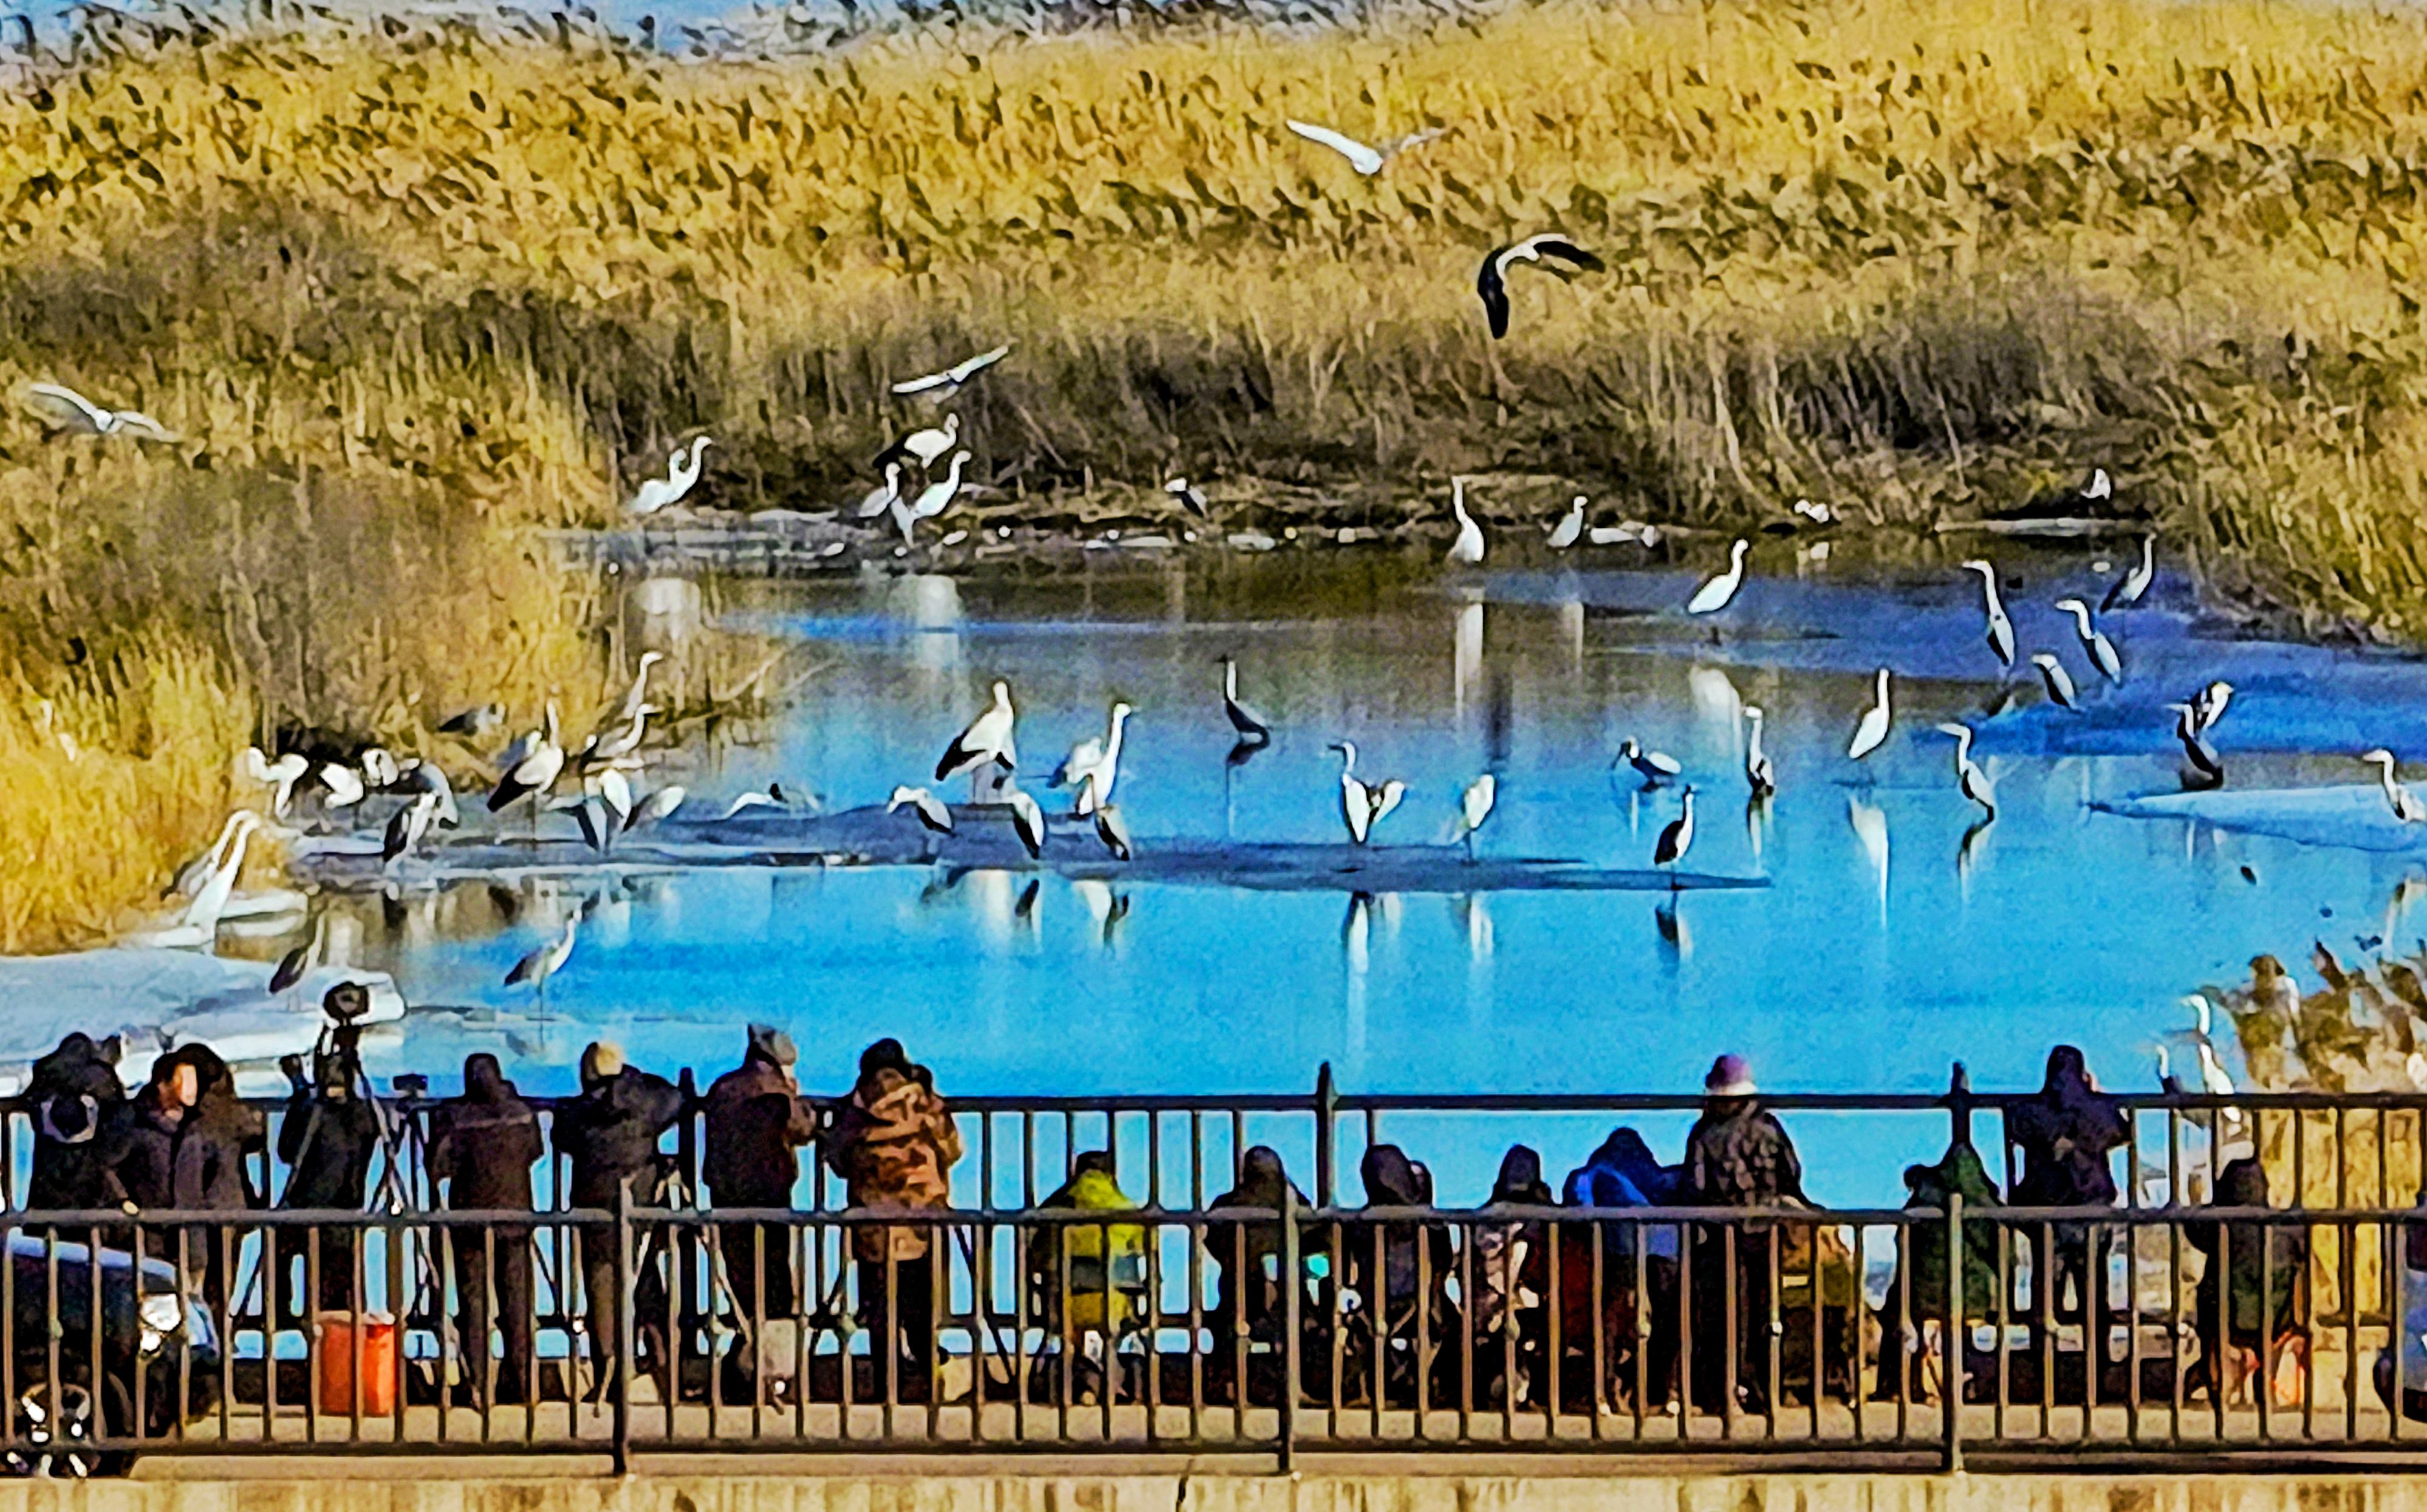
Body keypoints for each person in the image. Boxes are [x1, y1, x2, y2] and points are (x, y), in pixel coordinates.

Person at [826, 1038, 962, 1403]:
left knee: (880, 1310)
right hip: (923, 1220)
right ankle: (930, 1375)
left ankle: (888, 1387)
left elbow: (837, 1160)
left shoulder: (855, 1109)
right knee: (922, 1304)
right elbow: (953, 1149)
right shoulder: (924, 1103)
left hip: (873, 1224)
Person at [554, 1040, 686, 1401]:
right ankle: (664, 1363)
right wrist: (633, 1079)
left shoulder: (577, 1112)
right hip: (641, 1205)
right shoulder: (644, 1105)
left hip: (595, 1209)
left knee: (602, 1289)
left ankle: (609, 1375)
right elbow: (675, 1098)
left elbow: (560, 1137)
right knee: (645, 1281)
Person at [1681, 1054, 1804, 1416]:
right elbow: (1791, 1174)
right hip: (1765, 1233)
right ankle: (1766, 1393)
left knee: (1725, 1319)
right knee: (1766, 1316)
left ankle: (1725, 1393)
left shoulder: (1704, 1132)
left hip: (1721, 1237)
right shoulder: (1770, 1127)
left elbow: (1693, 1187)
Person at [426, 1053, 543, 1407]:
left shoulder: (457, 1119)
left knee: (473, 1301)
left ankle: (477, 1382)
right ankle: (523, 1381)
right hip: (517, 1218)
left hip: (471, 1220)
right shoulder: (522, 1114)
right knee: (517, 1301)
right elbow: (536, 1151)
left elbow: (438, 1168)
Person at [113, 1043, 264, 1314]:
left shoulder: (195, 1123)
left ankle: (203, 1340)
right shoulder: (190, 1121)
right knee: (202, 1291)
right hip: (192, 1219)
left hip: (195, 1221)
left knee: (193, 1289)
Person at [2004, 1045, 2127, 1357]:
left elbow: (2014, 1124)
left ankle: (2043, 1365)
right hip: (2091, 1211)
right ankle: (2098, 1367)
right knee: (2094, 1294)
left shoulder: (2033, 1110)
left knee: (2045, 1294)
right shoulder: (2098, 1109)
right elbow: (2122, 1132)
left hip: (2047, 1214)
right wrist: (2096, 1095)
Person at [275, 993, 386, 1322]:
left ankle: (280, 1316)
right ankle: (340, 1348)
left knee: (280, 1252)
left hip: (308, 1212)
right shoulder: (364, 1114)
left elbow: (287, 1152)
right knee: (338, 1295)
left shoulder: (314, 1113)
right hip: (347, 1213)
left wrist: (300, 1093)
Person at [702, 1024, 819, 1333]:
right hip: (769, 1192)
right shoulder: (777, 1091)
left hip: (727, 1194)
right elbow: (803, 1129)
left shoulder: (723, 1088)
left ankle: (746, 1339)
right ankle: (775, 1351)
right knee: (775, 1274)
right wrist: (797, 1096)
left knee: (740, 1274)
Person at [1562, 1127, 1683, 1414]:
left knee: (1611, 1316)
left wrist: (1587, 1227)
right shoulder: (1654, 1172)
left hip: (1619, 1244)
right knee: (1667, 1317)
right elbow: (1677, 1185)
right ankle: (1665, 1391)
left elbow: (1579, 1197)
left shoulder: (1598, 1169)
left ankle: (1603, 1391)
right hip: (1666, 1246)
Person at [1875, 1140, 2002, 1404]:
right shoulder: (1983, 1204)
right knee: (1952, 1334)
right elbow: (1999, 1248)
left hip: (1919, 1290)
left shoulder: (1920, 1203)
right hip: (1970, 1291)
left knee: (1906, 1326)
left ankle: (1900, 1387)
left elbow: (1902, 1240)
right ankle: (1956, 1390)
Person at [1340, 1143, 1457, 1408]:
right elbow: (1444, 1264)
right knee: (1452, 1326)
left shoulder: (1359, 1224)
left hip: (1377, 1306)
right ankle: (1436, 1388)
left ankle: (1374, 1386)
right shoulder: (1431, 1223)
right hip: (1420, 1305)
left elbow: (1350, 1272)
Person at [2184, 1157, 2307, 1406]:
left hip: (2226, 1318)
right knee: (2277, 1306)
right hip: (2277, 1322)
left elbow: (2194, 1231)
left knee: (2209, 1299)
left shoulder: (2219, 1224)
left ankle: (2216, 1381)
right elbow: (2303, 1255)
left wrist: (2203, 1203)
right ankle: (2267, 1375)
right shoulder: (2288, 1226)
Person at [1029, 1151, 1147, 1403]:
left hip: (1064, 1305)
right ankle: (1109, 1380)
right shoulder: (1128, 1209)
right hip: (1115, 1305)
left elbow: (1035, 1255)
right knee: (1114, 1324)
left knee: (1068, 1323)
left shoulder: (1055, 1208)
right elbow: (1146, 1251)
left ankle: (1081, 1379)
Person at [1205, 1146, 1310, 1404]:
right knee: (1302, 1321)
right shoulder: (1295, 1203)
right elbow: (1316, 1240)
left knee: (1227, 1321)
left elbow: (1213, 1242)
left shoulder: (1227, 1205)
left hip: (1238, 1294)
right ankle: (1296, 1384)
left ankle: (1228, 1381)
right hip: (1290, 1295)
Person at [1471, 1145, 1552, 1409]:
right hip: (1520, 1300)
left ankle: (1501, 1383)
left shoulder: (1483, 1215)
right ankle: (1525, 1387)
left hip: (1484, 1304)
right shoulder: (1534, 1222)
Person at [27, 1032, 128, 1219]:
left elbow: (31, 1106)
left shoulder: (45, 1075)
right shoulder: (101, 1078)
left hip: (50, 1170)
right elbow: (121, 1120)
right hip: (90, 1171)